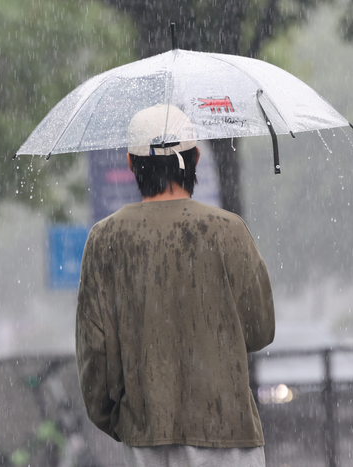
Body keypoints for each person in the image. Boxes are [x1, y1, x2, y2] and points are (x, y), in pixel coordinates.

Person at [76, 104, 275, 467]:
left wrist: (123, 420)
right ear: (196, 157)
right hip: (230, 434)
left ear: (131, 164)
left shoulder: (105, 239)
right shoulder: (229, 231)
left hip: (148, 438)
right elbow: (260, 331)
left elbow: (96, 355)